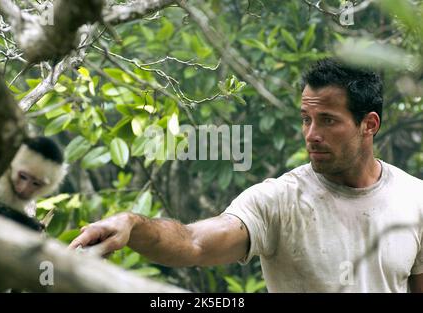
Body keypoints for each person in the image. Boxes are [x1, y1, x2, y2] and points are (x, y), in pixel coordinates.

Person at [69, 58, 423, 292]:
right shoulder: (279, 200)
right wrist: (133, 225)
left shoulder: (415, 199)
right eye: (306, 119)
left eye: (328, 121)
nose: (311, 134)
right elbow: (193, 242)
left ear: (369, 125)